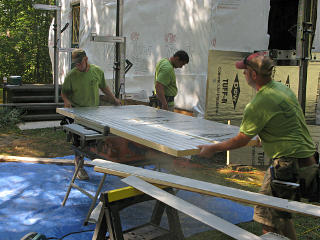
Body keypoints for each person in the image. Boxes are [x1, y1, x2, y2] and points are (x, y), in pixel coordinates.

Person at [197, 52, 318, 240]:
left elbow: (242, 140)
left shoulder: (258, 103)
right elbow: (287, 121)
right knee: (281, 215)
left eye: (244, 71)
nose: (242, 75)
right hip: (308, 161)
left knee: (267, 219)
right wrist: (267, 134)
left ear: (253, 74)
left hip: (286, 164)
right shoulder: (281, 89)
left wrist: (212, 148)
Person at [61, 49, 121, 180]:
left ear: (86, 59)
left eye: (79, 63)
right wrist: (67, 102)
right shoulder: (71, 76)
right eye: (75, 64)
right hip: (78, 114)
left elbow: (104, 87)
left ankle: (99, 163)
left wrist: (114, 99)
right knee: (79, 142)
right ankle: (79, 168)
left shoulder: (97, 71)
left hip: (94, 113)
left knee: (95, 141)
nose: (77, 65)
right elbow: (64, 92)